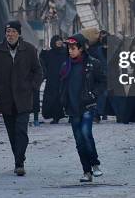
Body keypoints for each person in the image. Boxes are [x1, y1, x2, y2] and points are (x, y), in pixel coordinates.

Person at [0, 20, 43, 176]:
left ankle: (19, 162)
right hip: (6, 99)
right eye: (8, 32)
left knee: (21, 131)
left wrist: (32, 87)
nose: (10, 34)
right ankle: (18, 157)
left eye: (13, 32)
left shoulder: (29, 50)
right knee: (12, 133)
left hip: (24, 98)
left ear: (19, 33)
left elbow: (38, 72)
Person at [60, 34, 106, 182]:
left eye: (73, 48)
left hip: (87, 105)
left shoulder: (93, 64)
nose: (70, 51)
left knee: (86, 133)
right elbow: (62, 86)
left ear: (80, 48)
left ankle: (95, 165)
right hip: (72, 108)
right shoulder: (66, 66)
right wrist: (63, 101)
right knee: (79, 141)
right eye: (69, 48)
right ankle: (86, 172)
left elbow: (102, 82)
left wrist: (94, 94)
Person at [40, 35, 66, 124]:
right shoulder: (49, 53)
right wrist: (43, 52)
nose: (59, 42)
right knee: (52, 98)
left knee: (63, 97)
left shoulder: (65, 52)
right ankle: (54, 116)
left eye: (60, 40)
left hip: (63, 78)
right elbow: (43, 61)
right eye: (57, 40)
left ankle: (64, 115)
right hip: (52, 79)